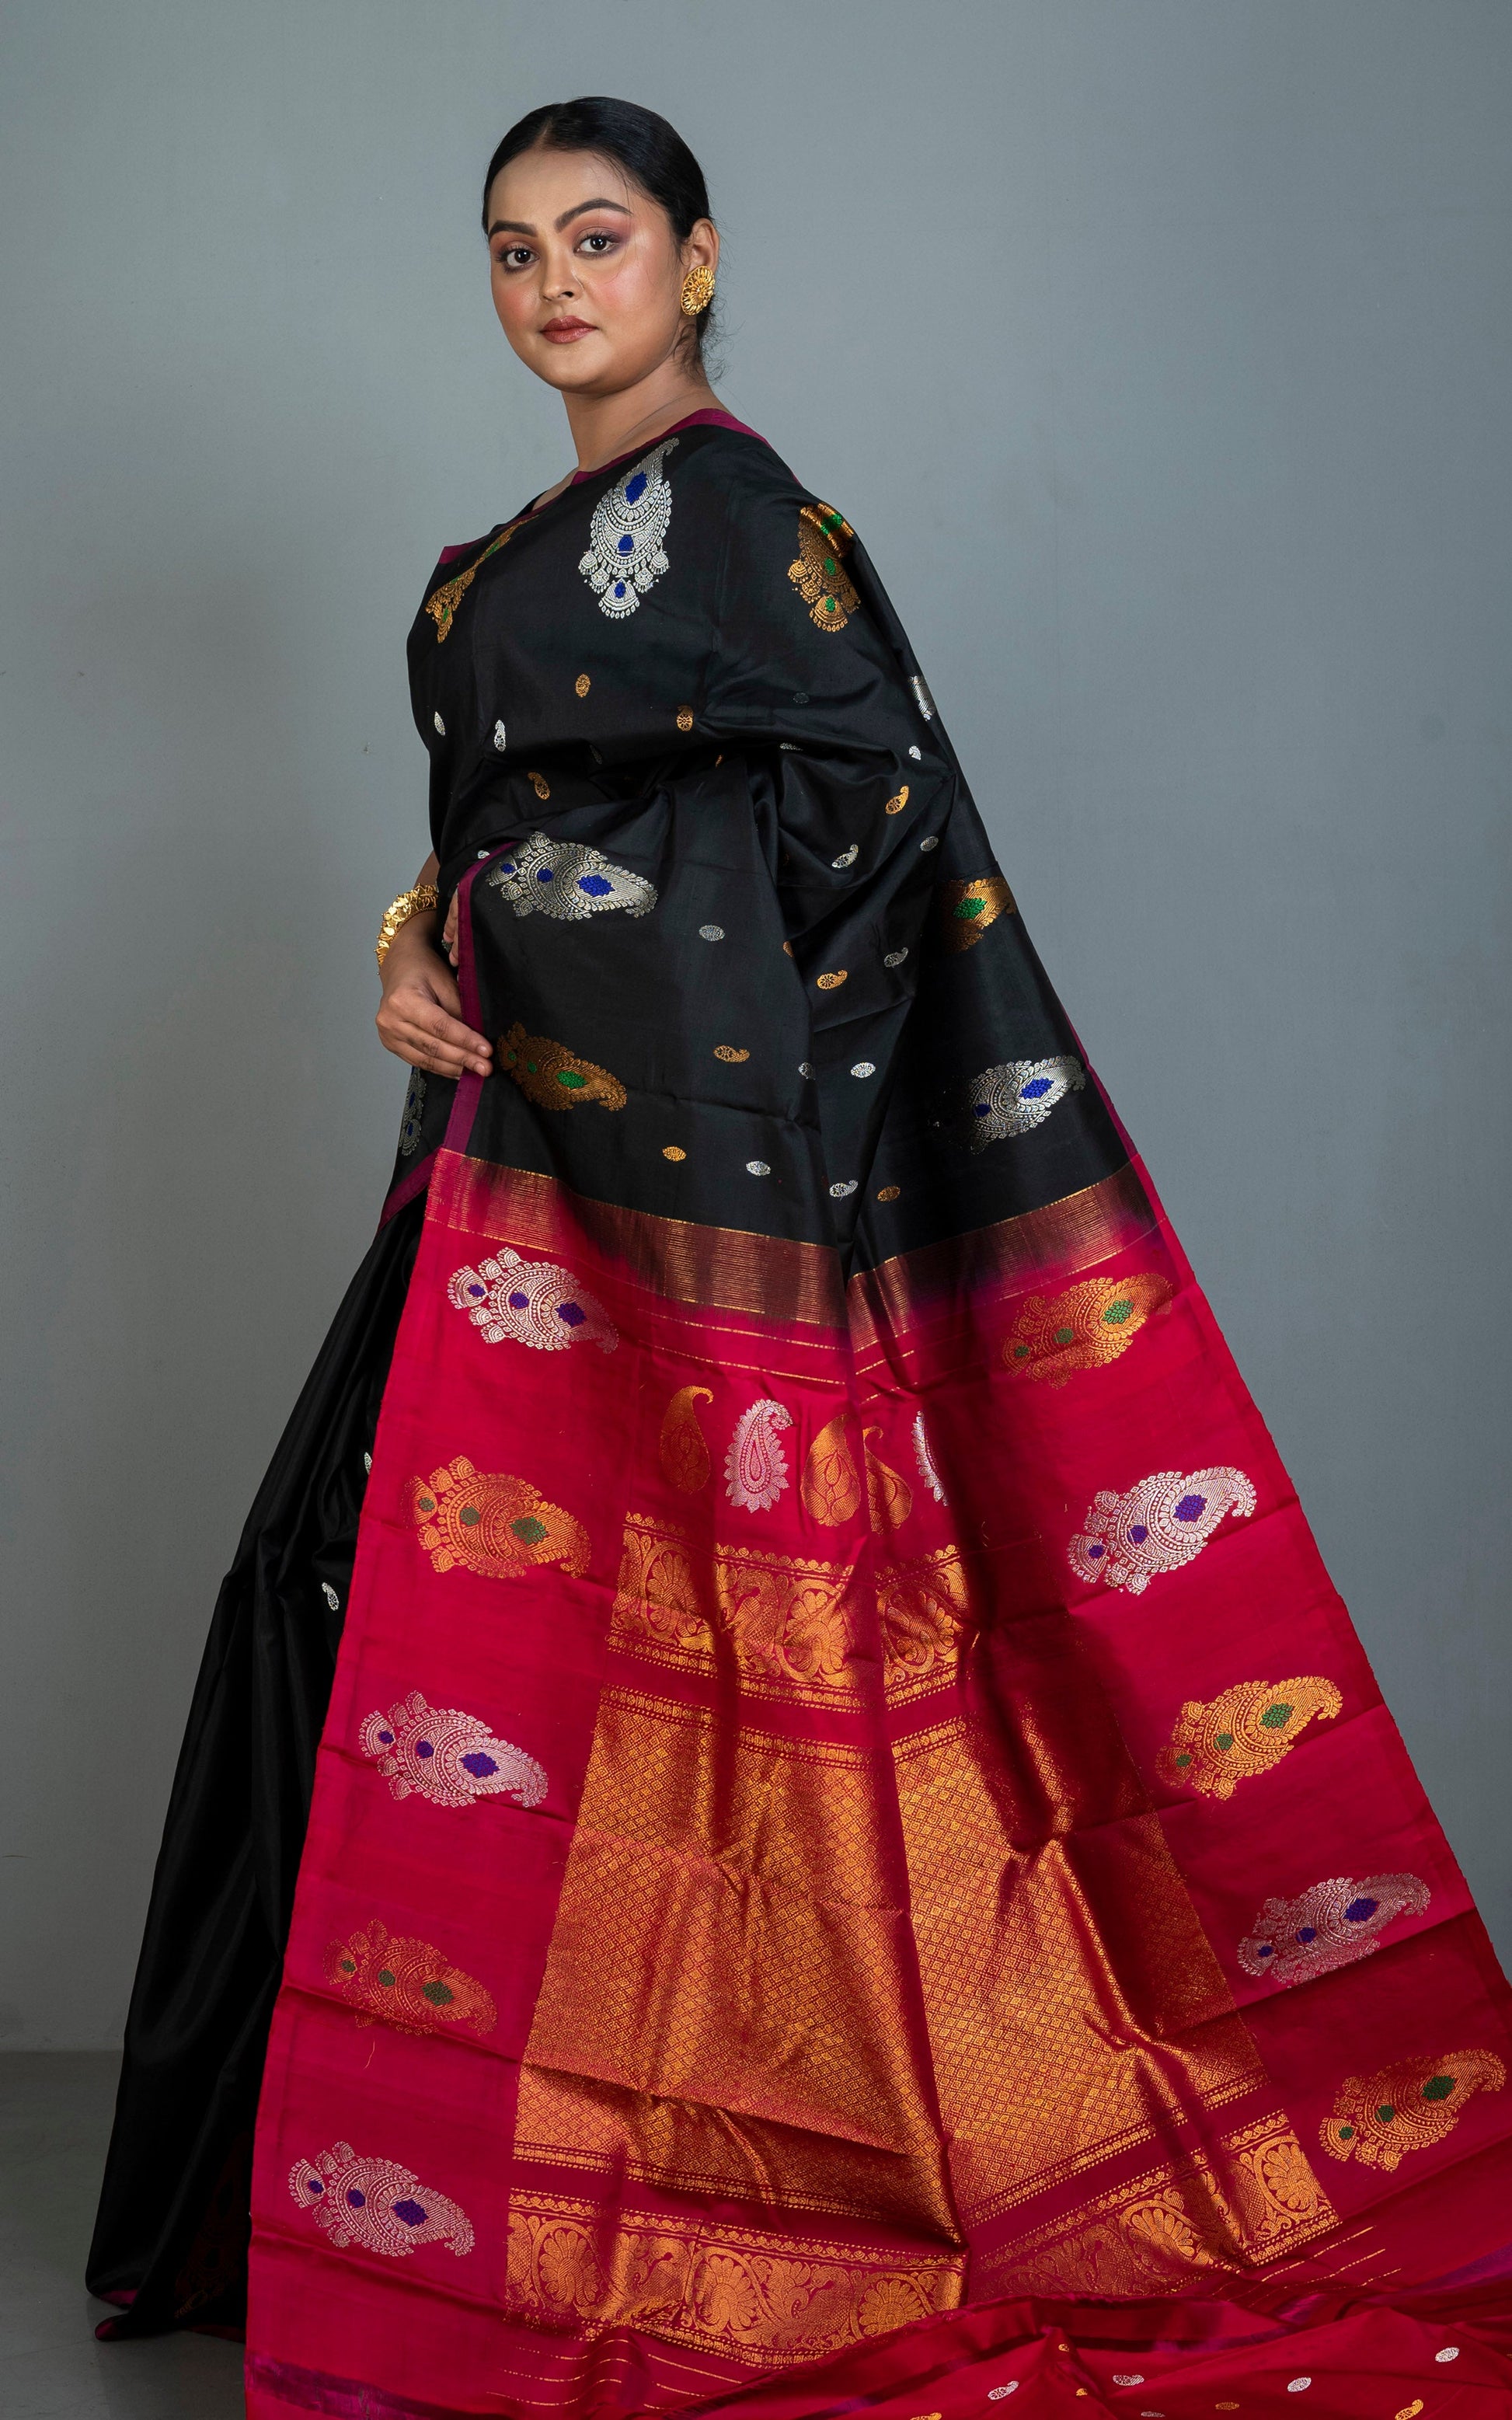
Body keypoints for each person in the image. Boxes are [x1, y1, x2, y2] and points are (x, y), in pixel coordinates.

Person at [91, 94, 1512, 2420]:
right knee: (368, 1606)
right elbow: (490, 833)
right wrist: (413, 934)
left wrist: (525, 923)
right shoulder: (490, 567)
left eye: (600, 237)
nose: (557, 285)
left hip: (699, 1188)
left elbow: (876, 826)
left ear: (698, 257)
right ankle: (408, 2204)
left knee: (695, 1661)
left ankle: (729, 2200)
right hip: (511, 1176)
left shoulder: (756, 526)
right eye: (515, 249)